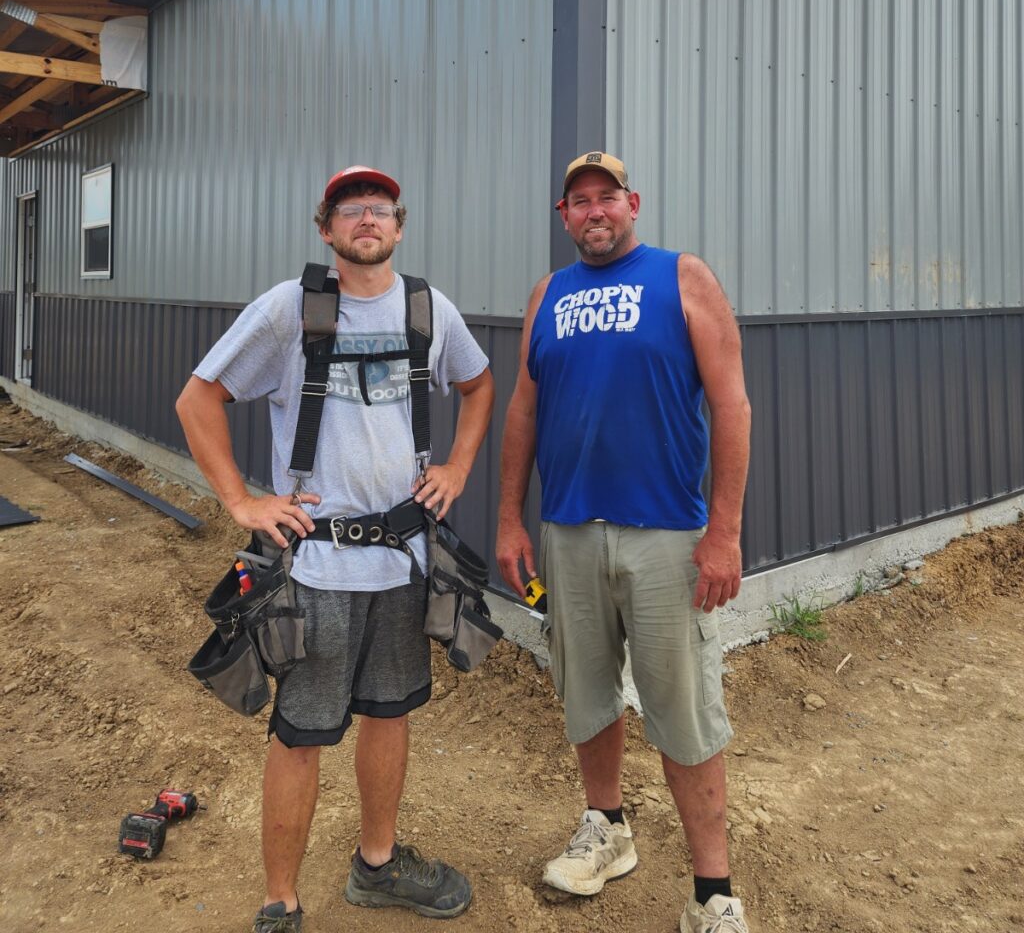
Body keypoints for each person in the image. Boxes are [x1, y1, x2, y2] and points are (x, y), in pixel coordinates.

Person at [176, 165, 494, 932]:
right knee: (302, 732)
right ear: (326, 229)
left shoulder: (427, 307)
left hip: (404, 563)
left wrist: (455, 467)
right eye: (349, 210)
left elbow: (479, 386)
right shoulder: (292, 310)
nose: (366, 219)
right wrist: (242, 501)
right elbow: (199, 398)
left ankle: (377, 867)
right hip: (316, 566)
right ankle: (279, 901)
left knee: (391, 713)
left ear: (399, 224)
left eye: (379, 208)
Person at [496, 151, 752, 933]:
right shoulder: (549, 295)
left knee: (683, 713)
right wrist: (510, 518)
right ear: (564, 216)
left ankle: (712, 893)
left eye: (608, 196)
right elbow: (523, 413)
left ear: (632, 203)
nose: (595, 210)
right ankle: (606, 826)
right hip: (569, 531)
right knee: (587, 694)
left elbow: (732, 404)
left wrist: (725, 533)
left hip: (667, 537)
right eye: (580, 200)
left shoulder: (683, 278)